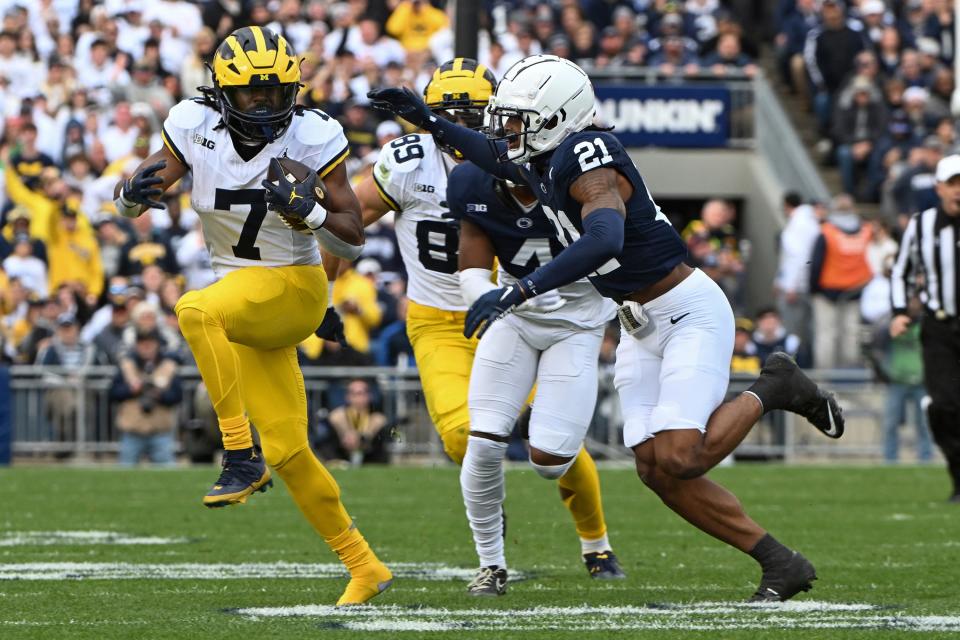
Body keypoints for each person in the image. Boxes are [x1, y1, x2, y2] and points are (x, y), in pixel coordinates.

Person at [369, 53, 846, 601]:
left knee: (680, 455)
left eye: (518, 118)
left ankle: (776, 387)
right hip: (635, 321)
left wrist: (522, 288)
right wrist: (430, 121)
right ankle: (779, 562)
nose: (506, 130)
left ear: (555, 117)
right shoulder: (546, 154)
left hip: (686, 310)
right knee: (655, 470)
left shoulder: (588, 159)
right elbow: (486, 153)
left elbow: (604, 239)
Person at [111, 26, 390, 605]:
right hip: (243, 298)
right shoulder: (193, 124)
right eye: (250, 94)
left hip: (294, 286)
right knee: (291, 451)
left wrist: (310, 213)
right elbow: (138, 191)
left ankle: (239, 452)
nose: (264, 105)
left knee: (192, 310)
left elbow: (353, 239)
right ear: (221, 92)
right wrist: (128, 196)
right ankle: (365, 566)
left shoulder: (315, 134)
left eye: (274, 92)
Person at [356, 58, 622, 583]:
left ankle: (596, 542)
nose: (459, 125)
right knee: (465, 435)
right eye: (447, 114)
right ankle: (491, 543)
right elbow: (349, 220)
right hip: (439, 319)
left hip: (520, 316)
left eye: (472, 114)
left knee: (556, 445)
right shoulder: (410, 163)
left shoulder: (536, 161)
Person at [450, 157, 624, 595]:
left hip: (579, 323)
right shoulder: (473, 183)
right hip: (516, 318)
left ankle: (534, 421)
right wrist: (489, 296)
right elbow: (471, 265)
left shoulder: (584, 182)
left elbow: (623, 245)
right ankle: (490, 564)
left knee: (550, 463)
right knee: (484, 442)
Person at [890, 154, 960, 501]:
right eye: (953, 183)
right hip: (940, 328)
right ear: (939, 188)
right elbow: (901, 271)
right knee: (943, 407)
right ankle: (959, 475)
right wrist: (900, 311)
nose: (958, 190)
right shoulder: (921, 225)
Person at [110, 328, 183, 466]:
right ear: (136, 345)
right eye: (142, 343)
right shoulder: (127, 366)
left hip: (160, 431)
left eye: (150, 343)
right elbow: (113, 393)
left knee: (167, 475)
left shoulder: (169, 366)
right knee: (124, 474)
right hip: (132, 430)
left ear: (157, 344)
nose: (146, 347)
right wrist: (131, 390)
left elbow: (177, 396)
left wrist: (160, 395)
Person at [326, 378, 391, 465]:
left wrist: (360, 438)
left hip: (370, 458)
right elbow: (336, 420)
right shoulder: (338, 415)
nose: (358, 398)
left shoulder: (377, 417)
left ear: (369, 396)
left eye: (361, 393)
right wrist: (348, 435)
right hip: (342, 455)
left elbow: (375, 426)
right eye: (354, 394)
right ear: (347, 396)